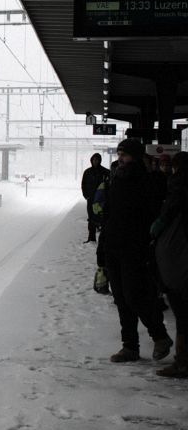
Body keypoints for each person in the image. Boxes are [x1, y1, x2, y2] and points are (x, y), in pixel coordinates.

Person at [102, 138, 172, 363]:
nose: (120, 158)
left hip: (135, 248)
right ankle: (129, 346)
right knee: (121, 299)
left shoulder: (147, 180)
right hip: (114, 246)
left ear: (136, 156)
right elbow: (109, 216)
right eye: (119, 153)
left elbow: (154, 211)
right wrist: (101, 251)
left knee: (135, 295)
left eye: (125, 154)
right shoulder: (116, 179)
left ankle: (160, 336)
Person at [151, 151, 188, 378]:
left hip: (180, 262)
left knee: (183, 313)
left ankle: (183, 362)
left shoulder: (178, 190)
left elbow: (166, 219)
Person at [81, 153, 109, 242]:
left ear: (100, 161)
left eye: (97, 160)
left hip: (102, 200)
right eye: (94, 160)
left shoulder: (105, 172)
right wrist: (86, 196)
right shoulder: (87, 172)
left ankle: (104, 239)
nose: (95, 161)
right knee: (91, 218)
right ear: (91, 160)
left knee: (103, 218)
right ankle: (91, 238)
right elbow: (83, 184)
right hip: (91, 199)